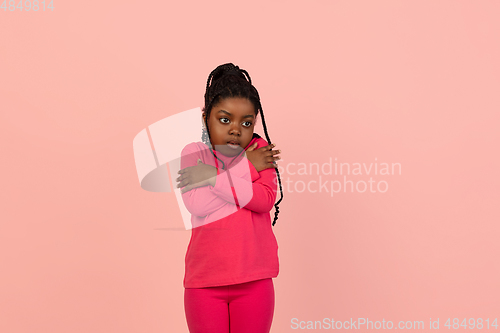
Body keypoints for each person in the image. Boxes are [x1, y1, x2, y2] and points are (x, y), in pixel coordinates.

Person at [175, 63, 284, 333]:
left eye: (246, 122)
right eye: (225, 119)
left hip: (255, 280)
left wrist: (212, 178)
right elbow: (197, 205)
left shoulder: (261, 151)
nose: (236, 129)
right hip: (204, 284)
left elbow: (263, 200)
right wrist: (246, 168)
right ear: (206, 119)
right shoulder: (194, 153)